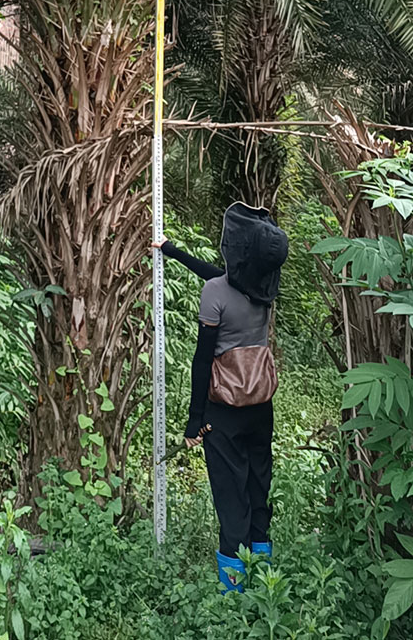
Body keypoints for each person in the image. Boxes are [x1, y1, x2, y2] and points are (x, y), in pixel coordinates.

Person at [154, 203, 288, 593]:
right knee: (258, 487)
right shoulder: (265, 289)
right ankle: (264, 581)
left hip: (223, 411)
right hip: (260, 406)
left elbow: (202, 361)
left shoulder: (215, 294)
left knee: (231, 497)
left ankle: (235, 593)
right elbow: (220, 277)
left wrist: (194, 422)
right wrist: (173, 251)